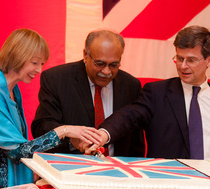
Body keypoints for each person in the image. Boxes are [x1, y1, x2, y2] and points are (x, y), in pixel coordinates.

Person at [0, 29, 101, 189]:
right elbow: (17, 150)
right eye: (35, 63)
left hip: (5, 179)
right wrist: (64, 130)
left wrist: (72, 141)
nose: (39, 70)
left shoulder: (11, 90)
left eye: (42, 64)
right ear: (17, 56)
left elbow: (19, 146)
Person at [85, 25, 210, 161]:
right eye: (179, 58)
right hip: (169, 184)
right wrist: (103, 135)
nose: (183, 66)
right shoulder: (157, 93)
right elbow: (128, 116)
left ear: (209, 60)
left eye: (191, 60)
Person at [31, 29, 145, 157]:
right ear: (86, 55)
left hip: (118, 172)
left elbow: (136, 141)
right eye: (100, 64)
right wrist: (71, 140)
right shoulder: (57, 79)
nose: (107, 72)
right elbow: (42, 128)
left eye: (114, 65)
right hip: (68, 170)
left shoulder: (131, 85)